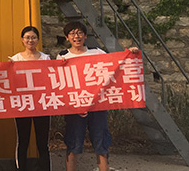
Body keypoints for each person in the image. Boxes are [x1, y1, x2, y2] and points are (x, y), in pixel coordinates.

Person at [57, 21, 139, 171]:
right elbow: (60, 83)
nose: (76, 36)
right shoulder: (62, 56)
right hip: (75, 107)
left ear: (85, 36)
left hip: (97, 105)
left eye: (80, 33)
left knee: (101, 143)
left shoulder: (97, 52)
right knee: (73, 144)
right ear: (67, 37)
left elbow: (115, 63)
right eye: (72, 33)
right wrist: (74, 105)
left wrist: (129, 53)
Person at [9, 26, 51, 171]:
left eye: (33, 37)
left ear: (38, 40)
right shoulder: (15, 59)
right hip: (23, 105)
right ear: (22, 40)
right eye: (27, 37)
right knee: (23, 141)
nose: (30, 40)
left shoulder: (45, 58)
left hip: (42, 104)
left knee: (42, 143)